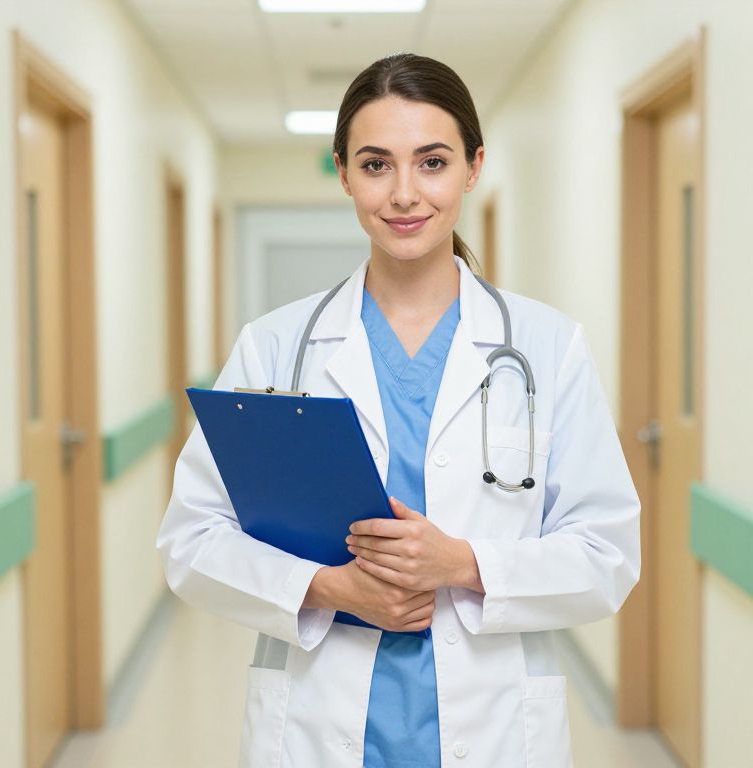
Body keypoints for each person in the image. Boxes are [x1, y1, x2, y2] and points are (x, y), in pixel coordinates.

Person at [157, 53, 640, 768]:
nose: (405, 193)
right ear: (344, 172)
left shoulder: (546, 347)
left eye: (433, 162)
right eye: (377, 164)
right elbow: (192, 540)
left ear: (474, 167)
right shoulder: (276, 346)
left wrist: (464, 563)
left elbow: (608, 556)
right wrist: (328, 589)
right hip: (321, 723)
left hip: (494, 725)